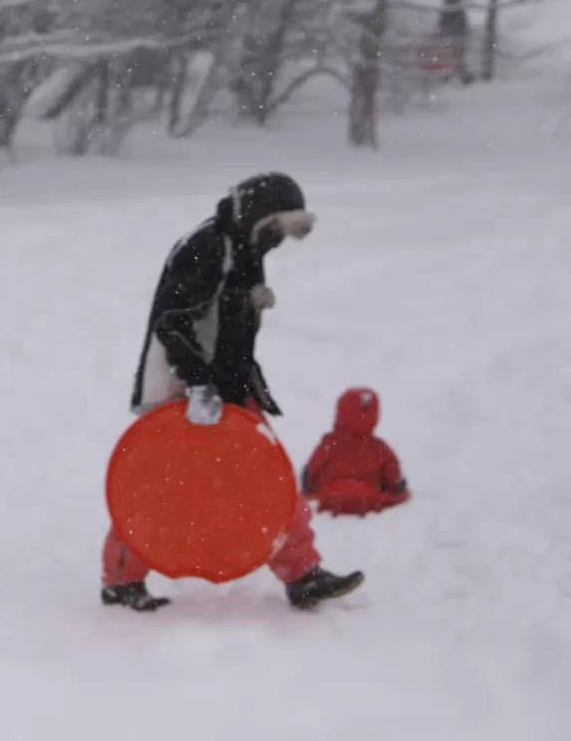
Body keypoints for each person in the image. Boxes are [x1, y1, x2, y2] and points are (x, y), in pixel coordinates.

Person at [112, 172, 364, 612]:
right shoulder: (208, 246)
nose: (280, 242)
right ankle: (120, 580)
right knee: (161, 486)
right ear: (258, 217)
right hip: (185, 390)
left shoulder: (243, 247)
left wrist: (246, 303)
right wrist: (198, 385)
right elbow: (173, 322)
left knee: (270, 478)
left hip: (227, 385)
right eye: (277, 230)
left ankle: (302, 573)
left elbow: (218, 314)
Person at [301, 387, 410, 516]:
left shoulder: (330, 443)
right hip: (368, 497)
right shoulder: (379, 447)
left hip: (331, 496)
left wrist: (309, 485)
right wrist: (396, 488)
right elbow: (393, 475)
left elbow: (314, 469)